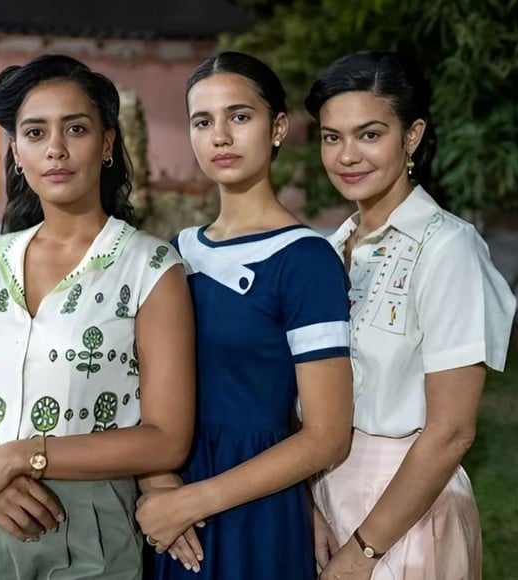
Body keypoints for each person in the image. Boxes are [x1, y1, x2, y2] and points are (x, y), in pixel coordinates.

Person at [0, 54, 196, 579]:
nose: (56, 149)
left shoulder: (150, 267)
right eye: (35, 133)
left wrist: (16, 457)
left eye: (76, 129)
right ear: (16, 152)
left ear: (107, 144)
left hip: (85, 521)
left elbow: (167, 437)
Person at [135, 51, 354, 580]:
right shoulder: (171, 254)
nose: (220, 137)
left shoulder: (307, 260)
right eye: (202, 121)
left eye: (240, 116)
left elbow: (327, 435)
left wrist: (193, 502)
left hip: (254, 509)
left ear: (277, 127)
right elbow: (135, 385)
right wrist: (159, 486)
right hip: (167, 508)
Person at [303, 50, 517, 579]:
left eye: (369, 134)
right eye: (333, 137)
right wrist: (309, 505)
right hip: (324, 502)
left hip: (406, 517)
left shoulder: (448, 248)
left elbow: (451, 432)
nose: (347, 155)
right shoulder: (329, 251)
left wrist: (362, 554)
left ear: (412, 136)